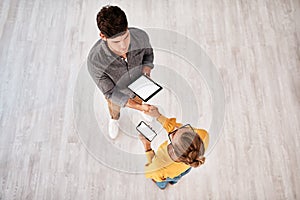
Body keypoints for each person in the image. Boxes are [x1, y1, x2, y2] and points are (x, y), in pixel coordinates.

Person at [87, 5, 155, 139]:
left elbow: (148, 54)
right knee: (114, 109)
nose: (123, 45)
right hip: (116, 94)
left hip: (139, 85)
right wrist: (139, 108)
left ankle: (141, 107)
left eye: (125, 37)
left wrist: (146, 68)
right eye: (117, 41)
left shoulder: (141, 36)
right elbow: (110, 93)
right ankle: (114, 120)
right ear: (103, 36)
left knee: (141, 100)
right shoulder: (95, 61)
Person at [139, 106, 209, 190]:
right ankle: (173, 182)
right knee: (178, 177)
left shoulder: (160, 168)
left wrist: (147, 146)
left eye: (174, 134)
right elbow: (177, 130)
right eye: (183, 128)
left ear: (174, 149)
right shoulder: (203, 135)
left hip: (166, 174)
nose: (175, 128)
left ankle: (163, 186)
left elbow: (150, 172)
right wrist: (158, 116)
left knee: (160, 182)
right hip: (186, 168)